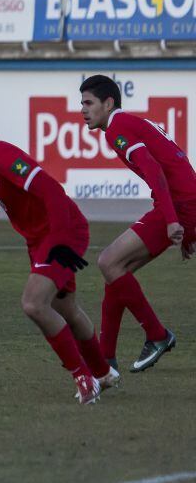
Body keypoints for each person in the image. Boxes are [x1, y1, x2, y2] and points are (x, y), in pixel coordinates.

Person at [0, 99, 116, 405]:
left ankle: (84, 378)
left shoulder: (0, 155)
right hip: (39, 237)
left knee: (34, 304)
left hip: (62, 231)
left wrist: (61, 241)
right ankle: (103, 372)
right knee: (65, 309)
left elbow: (51, 191)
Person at [79, 75, 195, 373]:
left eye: (89, 103)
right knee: (116, 271)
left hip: (180, 206)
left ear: (108, 103)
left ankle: (157, 335)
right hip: (187, 205)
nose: (83, 109)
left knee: (108, 261)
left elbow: (155, 170)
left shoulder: (116, 128)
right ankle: (105, 360)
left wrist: (172, 221)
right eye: (82, 103)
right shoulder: (128, 123)